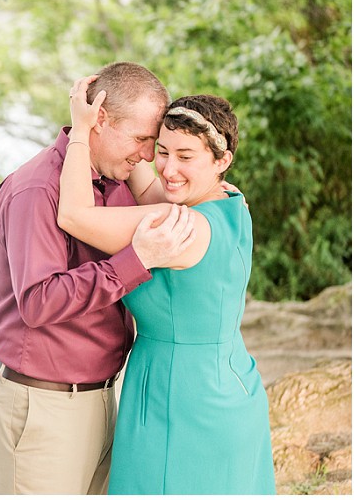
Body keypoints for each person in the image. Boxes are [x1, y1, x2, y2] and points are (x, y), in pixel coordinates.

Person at [0, 62, 197, 495]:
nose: (144, 155)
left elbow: (169, 198)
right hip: (44, 404)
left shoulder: (116, 182)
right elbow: (40, 301)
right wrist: (137, 259)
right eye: (140, 140)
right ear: (99, 119)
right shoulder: (38, 191)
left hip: (100, 397)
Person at [58, 76, 276, 494]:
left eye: (186, 156)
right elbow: (146, 176)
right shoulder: (230, 205)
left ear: (222, 160)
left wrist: (82, 132)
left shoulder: (179, 226)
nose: (169, 169)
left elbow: (73, 216)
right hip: (229, 384)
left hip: (181, 397)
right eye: (162, 151)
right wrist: (120, 121)